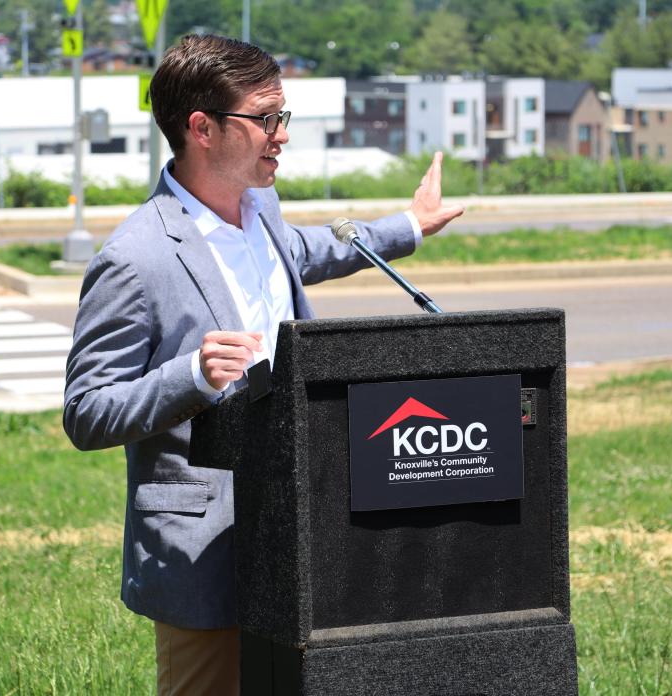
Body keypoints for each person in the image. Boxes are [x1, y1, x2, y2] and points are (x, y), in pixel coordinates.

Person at [63, 34, 463, 695]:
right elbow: (86, 412)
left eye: (284, 118)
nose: (281, 136)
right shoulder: (135, 259)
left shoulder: (261, 209)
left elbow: (305, 252)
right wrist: (191, 375)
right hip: (204, 544)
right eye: (265, 119)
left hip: (299, 517)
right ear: (202, 129)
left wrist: (408, 227)